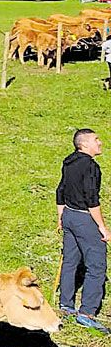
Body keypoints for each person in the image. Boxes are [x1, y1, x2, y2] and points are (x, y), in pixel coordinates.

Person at [57, 128, 109, 334]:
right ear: (84, 144)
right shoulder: (91, 167)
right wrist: (102, 227)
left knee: (70, 261)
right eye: (96, 140)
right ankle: (86, 314)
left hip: (68, 215)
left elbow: (60, 189)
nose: (100, 143)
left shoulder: (68, 161)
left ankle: (65, 305)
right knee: (96, 266)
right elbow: (91, 199)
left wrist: (61, 216)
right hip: (84, 218)